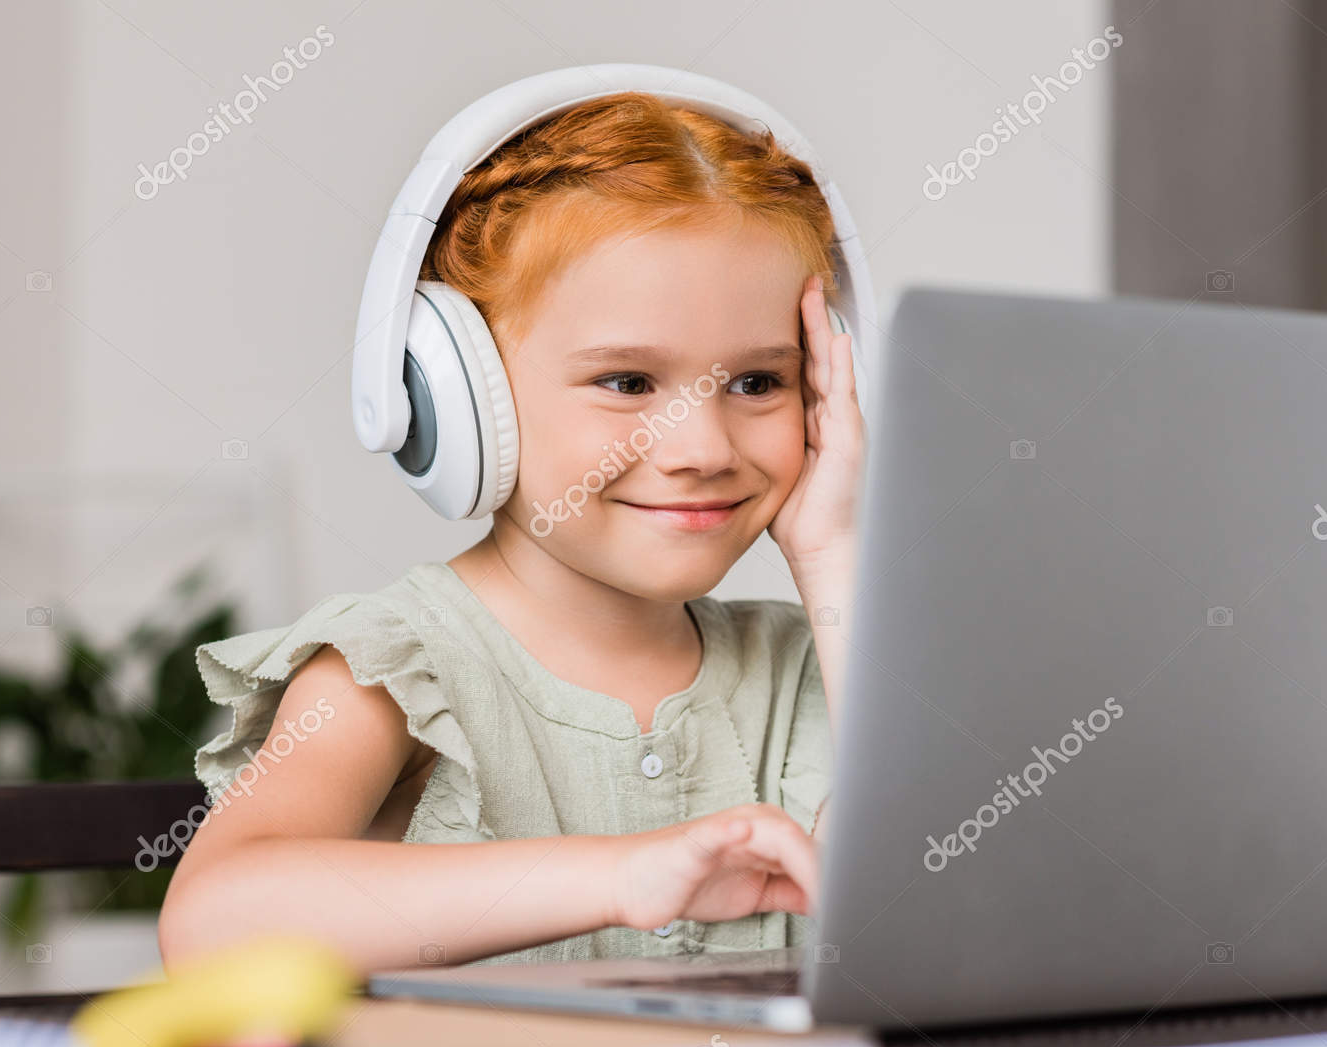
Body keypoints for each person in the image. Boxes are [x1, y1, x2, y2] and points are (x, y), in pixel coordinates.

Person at [159, 89, 865, 973]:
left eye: (759, 382)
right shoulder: (397, 667)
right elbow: (214, 923)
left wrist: (832, 551)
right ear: (456, 401)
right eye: (628, 382)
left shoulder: (825, 664)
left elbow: (964, 900)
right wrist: (620, 875)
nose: (703, 448)